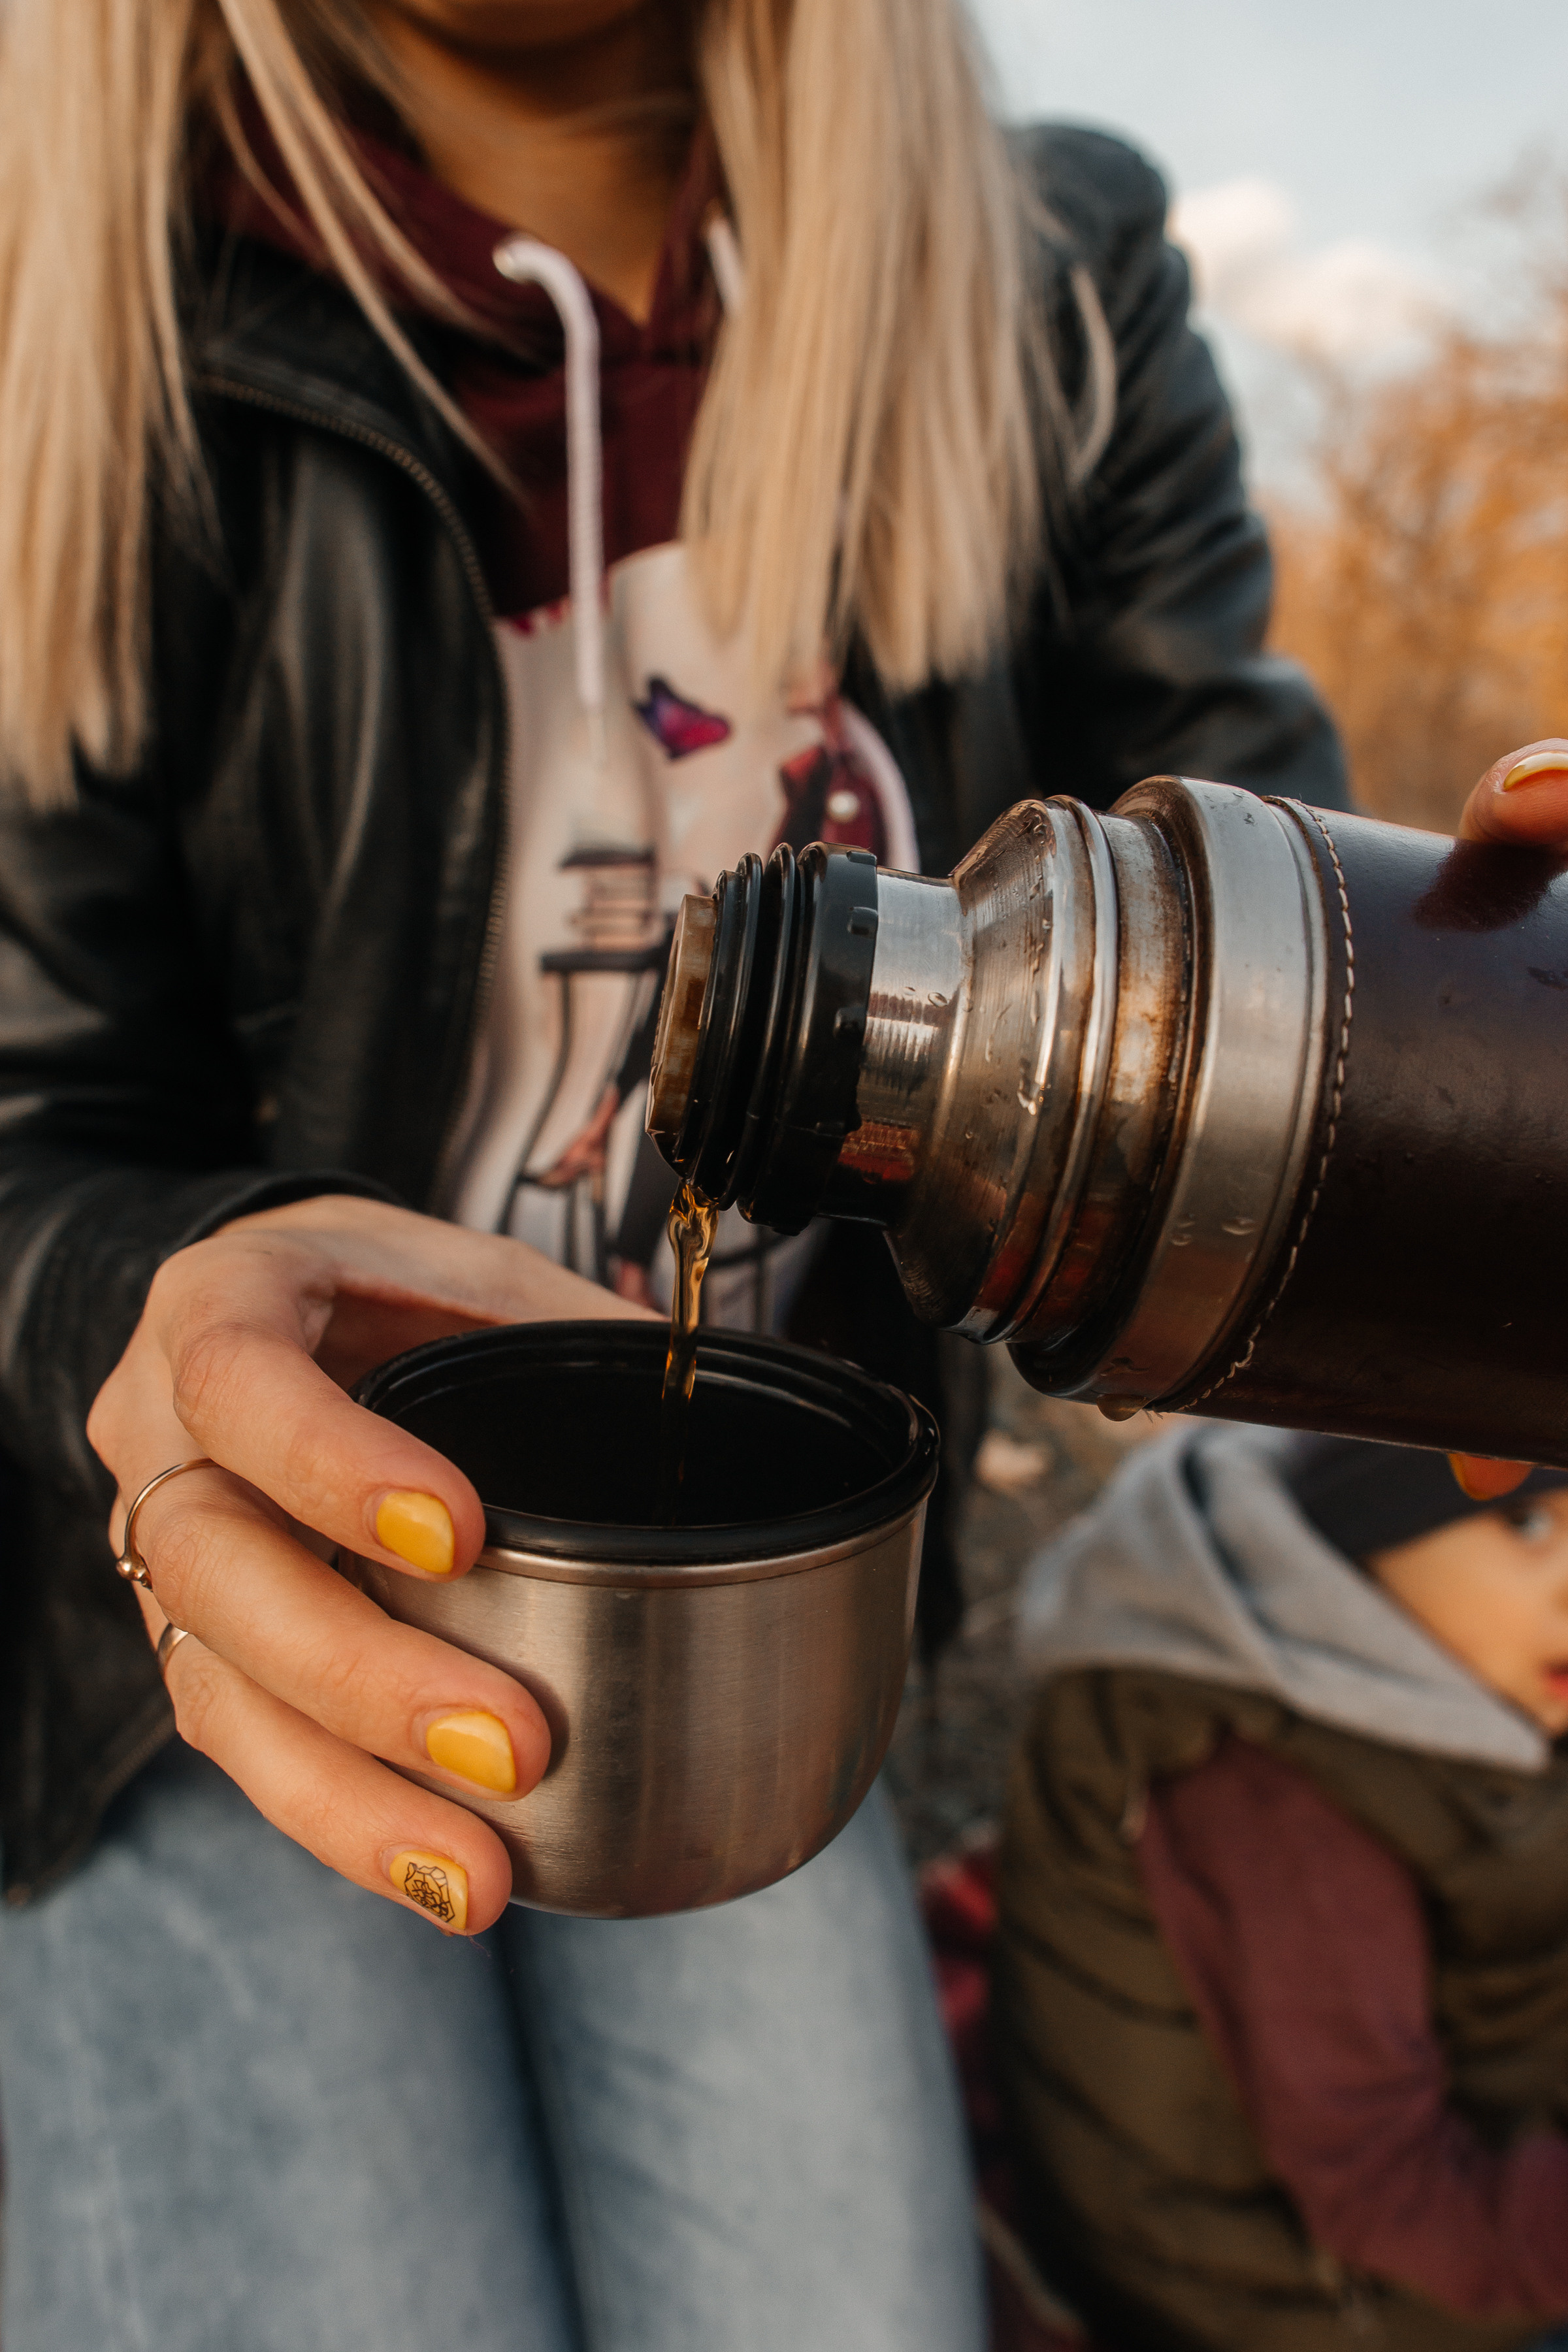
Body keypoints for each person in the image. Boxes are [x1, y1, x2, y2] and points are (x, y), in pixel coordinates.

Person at [0, 1, 1362, 2345]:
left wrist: (1469, 999)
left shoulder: (1059, 283)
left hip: (746, 1628)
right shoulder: (83, 290)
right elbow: (29, 1121)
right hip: (175, 1635)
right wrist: (164, 1311)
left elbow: (1281, 975)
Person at [994, 1409, 1568, 2352]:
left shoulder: (1473, 1645)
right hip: (1279, 2297)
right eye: (1529, 1526)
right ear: (1369, 1524)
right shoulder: (1277, 1807)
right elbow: (1384, 2193)